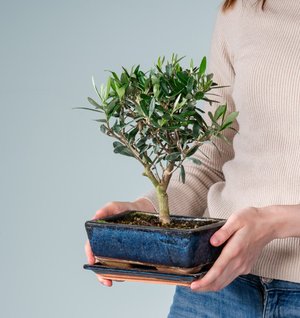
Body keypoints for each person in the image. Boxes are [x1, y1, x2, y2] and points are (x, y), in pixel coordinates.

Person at [85, 0, 300, 316]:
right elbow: (211, 159)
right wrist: (144, 212)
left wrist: (274, 222)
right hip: (217, 285)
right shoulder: (242, 9)